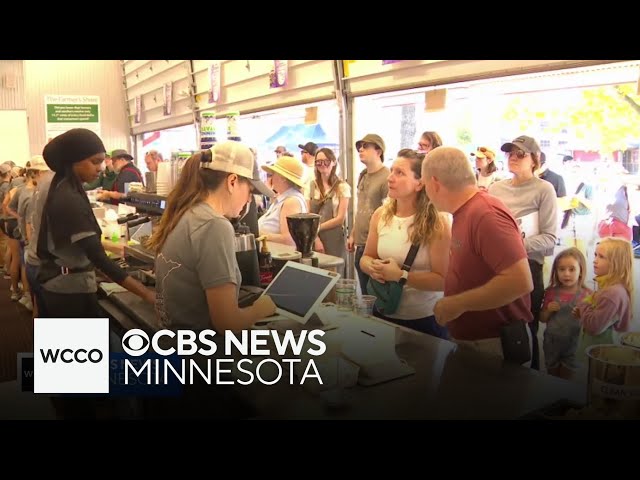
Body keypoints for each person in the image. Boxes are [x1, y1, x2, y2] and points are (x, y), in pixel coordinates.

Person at [147, 141, 276, 332]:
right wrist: (259, 310)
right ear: (232, 182)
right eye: (250, 191)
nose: (250, 199)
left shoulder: (185, 212)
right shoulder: (214, 225)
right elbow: (227, 324)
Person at [422, 147, 534, 362]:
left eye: (426, 185)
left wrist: (458, 303)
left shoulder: (485, 214)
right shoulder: (465, 211)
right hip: (473, 342)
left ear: (435, 184)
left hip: (493, 345)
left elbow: (520, 281)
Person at [37, 128, 155, 319]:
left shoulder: (65, 187)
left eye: (102, 161)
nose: (101, 168)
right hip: (69, 293)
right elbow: (100, 259)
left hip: (58, 285)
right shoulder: (69, 199)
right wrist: (149, 295)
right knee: (80, 349)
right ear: (73, 161)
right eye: (95, 161)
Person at [360, 149, 450, 338]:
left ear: (419, 183)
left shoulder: (437, 222)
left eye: (400, 173)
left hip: (423, 320)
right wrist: (372, 267)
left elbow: (443, 280)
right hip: (382, 312)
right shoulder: (380, 215)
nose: (390, 178)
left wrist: (400, 275)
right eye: (392, 171)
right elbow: (366, 257)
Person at [489, 135, 558, 370]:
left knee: (524, 330)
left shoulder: (544, 189)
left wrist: (517, 244)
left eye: (521, 154)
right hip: (494, 266)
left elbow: (550, 236)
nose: (514, 158)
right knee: (494, 326)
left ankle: (529, 386)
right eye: (510, 153)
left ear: (534, 160)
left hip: (527, 266)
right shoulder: (496, 187)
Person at [572, 237, 633, 358]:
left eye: (601, 257)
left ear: (616, 262)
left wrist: (583, 304)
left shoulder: (612, 293)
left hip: (601, 353)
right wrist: (583, 314)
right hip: (601, 350)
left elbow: (593, 327)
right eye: (595, 255)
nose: (595, 260)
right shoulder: (613, 289)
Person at [540, 247, 592, 380]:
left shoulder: (587, 295)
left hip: (574, 344)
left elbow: (591, 325)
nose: (566, 274)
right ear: (555, 271)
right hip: (552, 343)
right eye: (561, 269)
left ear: (581, 271)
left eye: (572, 269)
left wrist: (583, 316)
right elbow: (542, 319)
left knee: (568, 379)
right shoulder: (550, 292)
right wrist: (548, 310)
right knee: (552, 377)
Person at [348, 133, 389, 295]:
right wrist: (353, 233)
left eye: (366, 146)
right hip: (360, 243)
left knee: (375, 295)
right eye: (360, 147)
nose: (361, 150)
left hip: (375, 247)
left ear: (378, 151)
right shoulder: (363, 175)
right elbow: (361, 207)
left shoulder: (387, 177)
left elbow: (388, 212)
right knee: (365, 294)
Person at [306, 147, 351, 264]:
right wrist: (315, 238)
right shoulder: (311, 186)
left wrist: (316, 228)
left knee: (335, 270)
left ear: (334, 162)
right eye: (318, 162)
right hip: (313, 238)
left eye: (326, 161)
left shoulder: (342, 187)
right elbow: (307, 216)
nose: (322, 164)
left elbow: (340, 219)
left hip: (334, 238)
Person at [258, 155, 307, 246]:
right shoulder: (284, 199)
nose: (271, 178)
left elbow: (289, 239)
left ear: (283, 178)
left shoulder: (291, 202)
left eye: (273, 174)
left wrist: (260, 234)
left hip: (280, 257)